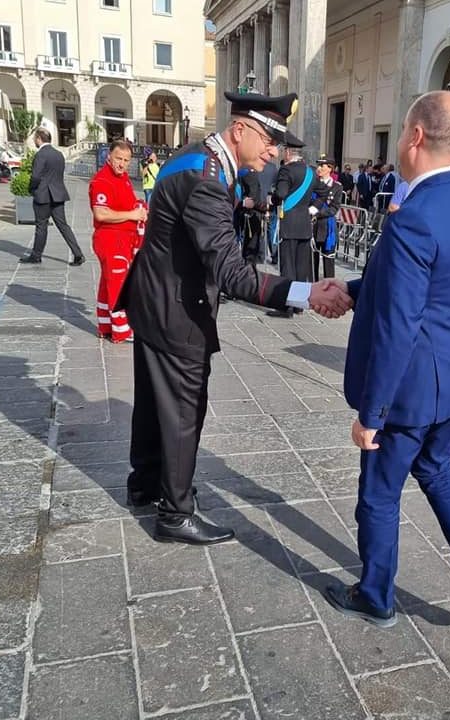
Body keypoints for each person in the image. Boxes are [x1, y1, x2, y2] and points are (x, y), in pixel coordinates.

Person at [117, 91, 352, 545]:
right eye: (267, 140)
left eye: (278, 145)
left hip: (153, 299)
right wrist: (303, 291)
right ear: (240, 129)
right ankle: (175, 513)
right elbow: (230, 271)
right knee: (185, 409)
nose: (273, 152)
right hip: (175, 312)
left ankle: (144, 485)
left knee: (152, 402)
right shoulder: (207, 180)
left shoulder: (196, 156)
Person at [323, 90, 450, 629]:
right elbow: (434, 287)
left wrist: (371, 414)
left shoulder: (412, 215)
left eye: (402, 129)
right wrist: (355, 288)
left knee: (379, 492)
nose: (400, 140)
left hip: (411, 390)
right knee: (438, 468)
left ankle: (376, 594)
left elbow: (401, 323)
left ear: (416, 137)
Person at [89, 139, 144, 343]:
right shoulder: (102, 181)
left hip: (122, 237)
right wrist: (132, 214)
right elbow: (101, 213)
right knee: (119, 285)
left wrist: (137, 208)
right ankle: (122, 330)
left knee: (107, 284)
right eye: (118, 159)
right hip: (111, 238)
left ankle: (105, 325)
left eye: (126, 160)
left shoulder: (123, 178)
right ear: (109, 157)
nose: (122, 164)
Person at [19, 127, 85, 266]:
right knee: (63, 225)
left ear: (38, 138)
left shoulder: (41, 154)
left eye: (34, 139)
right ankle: (78, 254)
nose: (34, 141)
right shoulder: (59, 154)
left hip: (43, 195)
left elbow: (36, 176)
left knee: (41, 226)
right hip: (58, 194)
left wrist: (31, 188)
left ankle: (36, 256)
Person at [269, 138, 318, 318]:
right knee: (301, 267)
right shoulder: (311, 172)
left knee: (287, 265)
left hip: (288, 223)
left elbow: (280, 194)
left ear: (288, 152)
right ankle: (298, 304)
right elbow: (323, 194)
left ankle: (286, 306)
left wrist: (272, 199)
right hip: (305, 224)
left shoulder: (286, 170)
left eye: (284, 151)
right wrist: (313, 208)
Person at [311, 154, 343, 280]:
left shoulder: (337, 187)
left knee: (328, 262)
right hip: (313, 227)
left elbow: (334, 208)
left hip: (327, 228)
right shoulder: (313, 184)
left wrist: (317, 213)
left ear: (330, 168)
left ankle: (330, 289)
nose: (319, 168)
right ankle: (313, 288)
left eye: (322, 165)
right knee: (312, 261)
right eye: (318, 165)